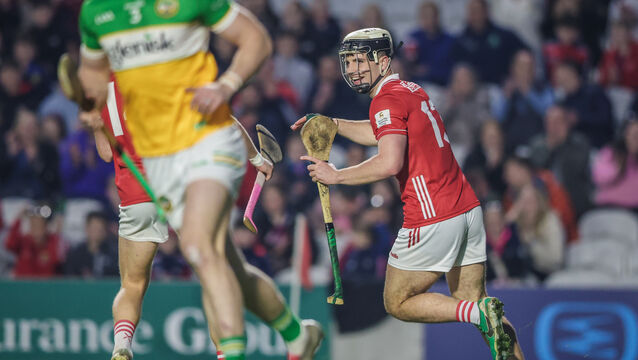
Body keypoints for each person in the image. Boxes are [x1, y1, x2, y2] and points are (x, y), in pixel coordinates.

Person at [77, 2, 321, 359]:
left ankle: (218, 352)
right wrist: (90, 104)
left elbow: (254, 41)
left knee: (197, 252)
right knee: (226, 265)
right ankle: (296, 334)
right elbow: (90, 76)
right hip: (160, 166)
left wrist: (226, 86)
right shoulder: (96, 12)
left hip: (202, 147)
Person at [292, 28, 524, 360]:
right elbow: (383, 133)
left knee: (398, 301)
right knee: (479, 305)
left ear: (383, 61)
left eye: (361, 61)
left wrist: (337, 175)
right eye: (349, 62)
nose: (353, 69)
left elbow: (389, 161)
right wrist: (333, 123)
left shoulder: (385, 100)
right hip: (467, 209)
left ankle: (477, 313)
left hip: (432, 214)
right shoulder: (410, 90)